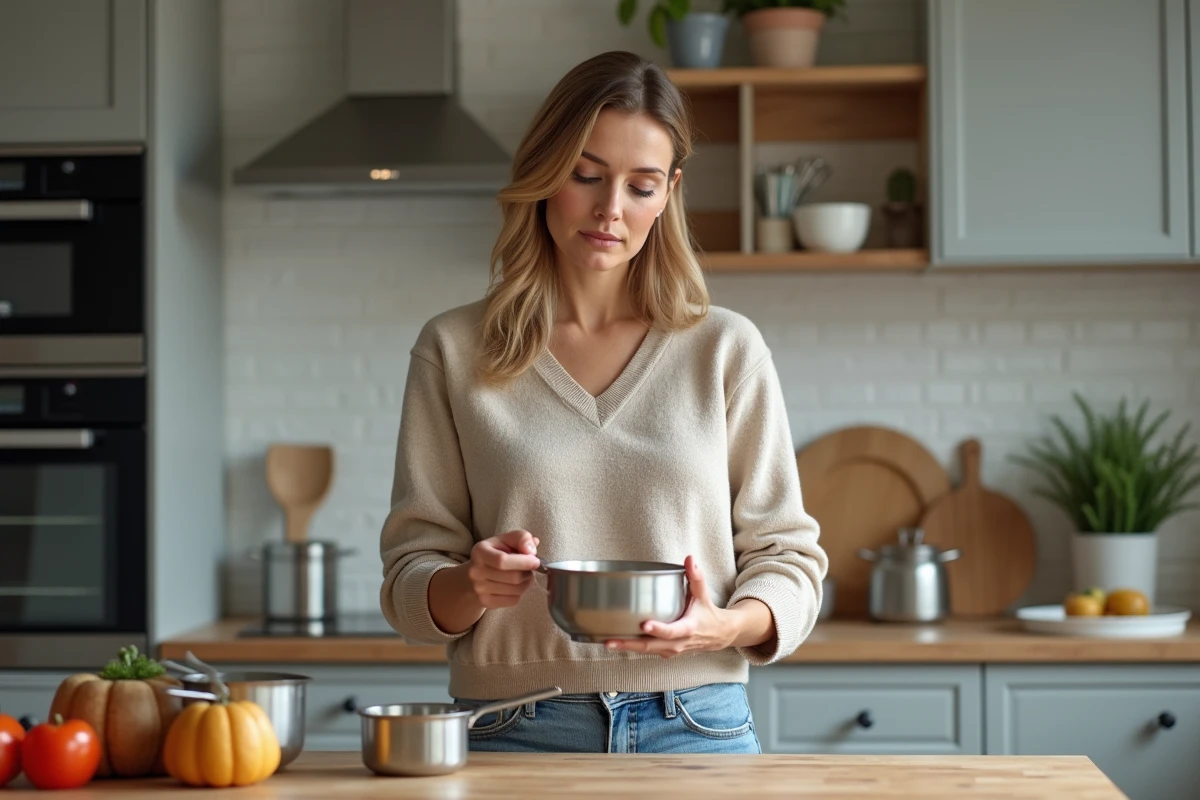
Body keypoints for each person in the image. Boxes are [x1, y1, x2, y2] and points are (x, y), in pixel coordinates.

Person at [379, 50, 827, 755]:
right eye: (585, 175)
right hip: (514, 727)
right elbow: (409, 580)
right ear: (544, 170)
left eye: (641, 186)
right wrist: (471, 583)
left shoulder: (725, 349)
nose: (609, 210)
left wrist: (727, 625)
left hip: (698, 724)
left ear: (669, 192)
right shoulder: (454, 349)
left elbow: (789, 558)